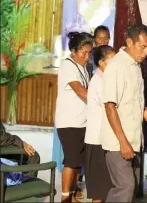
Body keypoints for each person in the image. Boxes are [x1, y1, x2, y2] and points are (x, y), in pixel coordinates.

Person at [100, 25, 147, 202]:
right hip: (119, 143)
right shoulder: (116, 66)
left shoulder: (135, 66)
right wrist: (123, 142)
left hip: (134, 140)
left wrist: (144, 111)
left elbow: (129, 103)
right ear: (129, 42)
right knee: (126, 187)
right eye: (142, 47)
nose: (146, 52)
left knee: (132, 190)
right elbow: (110, 106)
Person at [55, 31, 93, 202]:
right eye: (84, 53)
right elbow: (80, 90)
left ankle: (72, 193)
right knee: (71, 160)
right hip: (69, 122)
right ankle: (64, 196)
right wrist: (101, 101)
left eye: (89, 52)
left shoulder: (83, 67)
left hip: (82, 121)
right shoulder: (68, 65)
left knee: (78, 161)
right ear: (73, 51)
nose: (87, 57)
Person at [84, 45, 115, 202]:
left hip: (102, 140)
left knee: (105, 189)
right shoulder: (99, 82)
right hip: (97, 141)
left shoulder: (104, 80)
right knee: (99, 192)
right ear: (102, 63)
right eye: (113, 59)